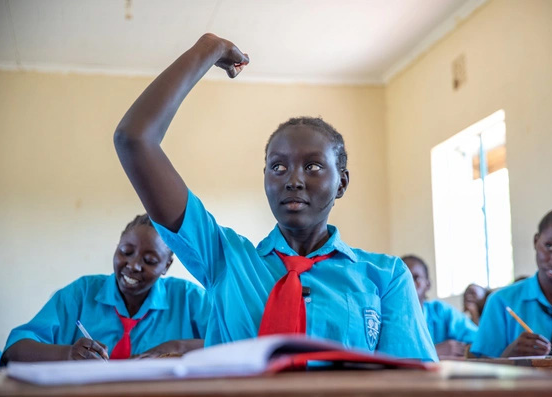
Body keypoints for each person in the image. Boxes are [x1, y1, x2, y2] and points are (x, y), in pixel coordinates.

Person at [113, 33, 437, 361]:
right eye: (278, 167)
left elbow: (410, 383)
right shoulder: (225, 259)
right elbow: (134, 140)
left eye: (312, 166)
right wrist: (207, 50)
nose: (293, 180)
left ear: (341, 184)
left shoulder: (386, 276)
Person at [0, 214, 210, 366]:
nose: (133, 265)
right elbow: (13, 352)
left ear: (166, 266)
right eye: (126, 252)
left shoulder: (188, 299)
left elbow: (237, 344)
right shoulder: (81, 294)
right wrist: (68, 354)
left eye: (150, 260)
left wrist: (178, 347)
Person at [470, 184, 552, 357]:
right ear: (536, 242)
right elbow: (481, 373)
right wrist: (507, 356)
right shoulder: (501, 302)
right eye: (550, 246)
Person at [403, 255, 478, 358]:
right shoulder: (388, 317)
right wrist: (433, 351)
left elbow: (478, 341)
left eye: (416, 278)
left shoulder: (441, 311)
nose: (409, 283)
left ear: (428, 284)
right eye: (404, 278)